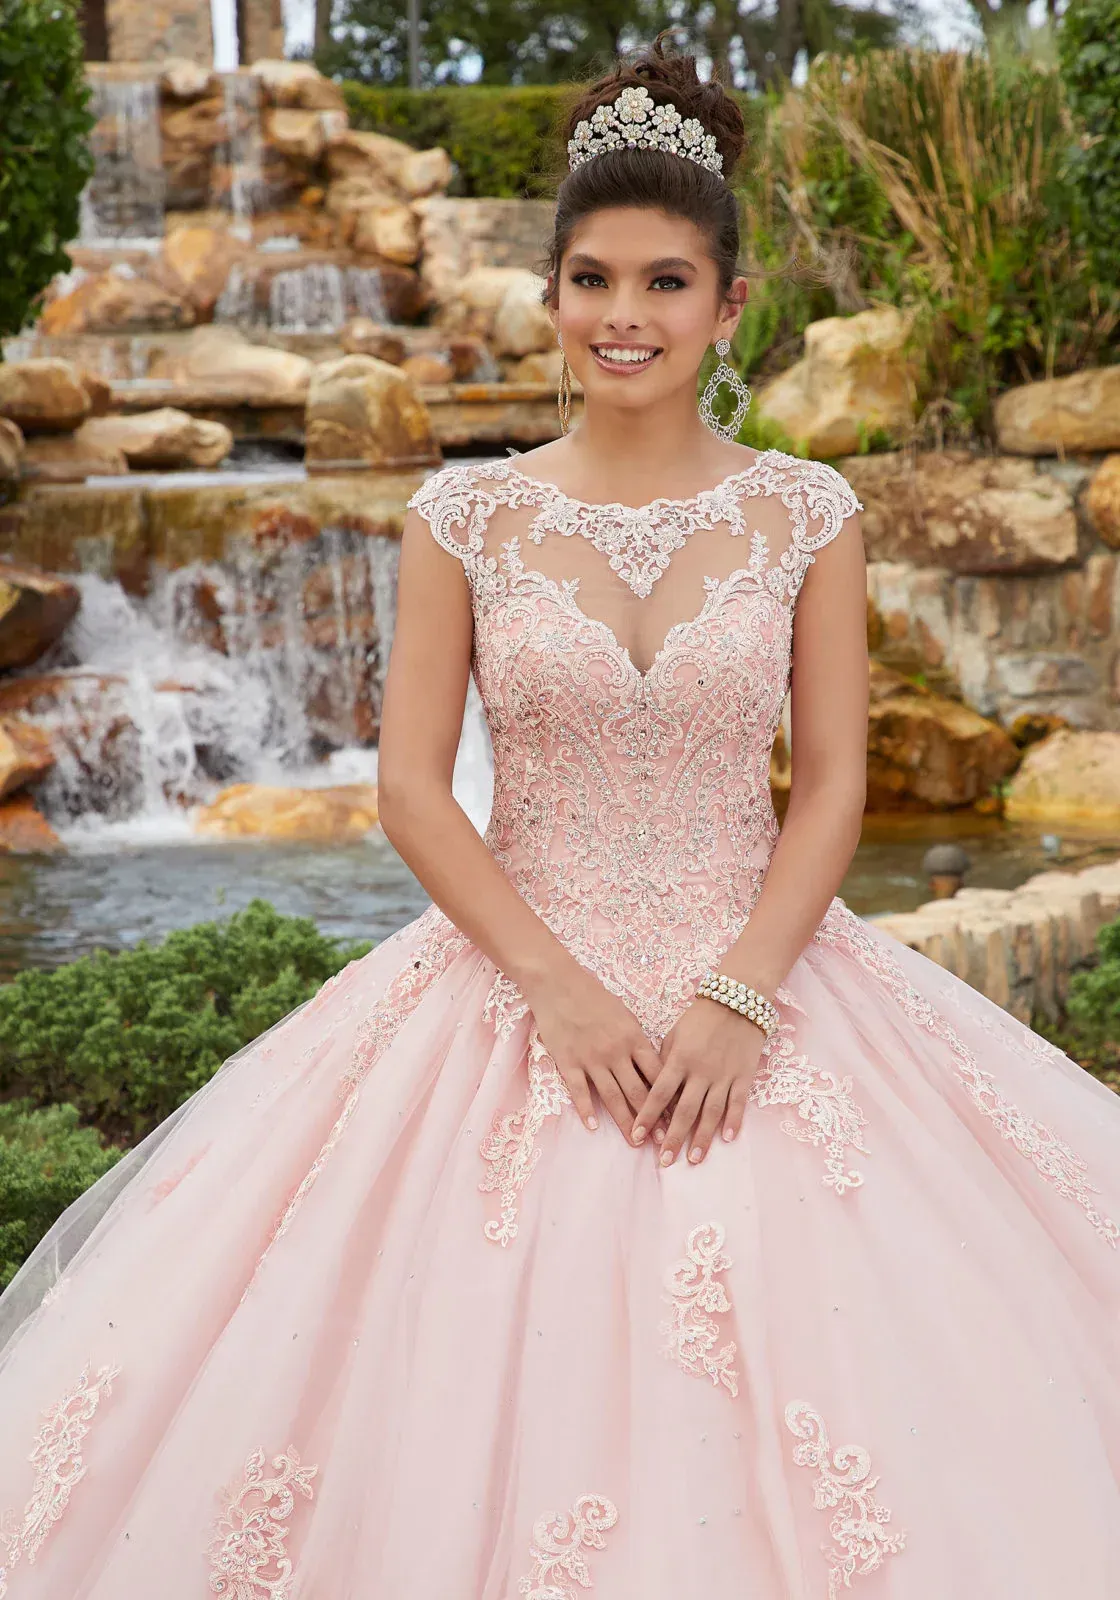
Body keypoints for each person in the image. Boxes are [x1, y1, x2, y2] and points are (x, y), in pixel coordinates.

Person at [1, 34, 1118, 1600]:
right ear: (552, 296)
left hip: (762, 984)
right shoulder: (464, 514)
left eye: (666, 282)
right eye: (592, 279)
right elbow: (410, 788)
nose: (623, 314)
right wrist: (558, 989)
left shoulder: (810, 512)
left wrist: (741, 995)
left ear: (730, 304)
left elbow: (834, 786)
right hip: (516, 989)